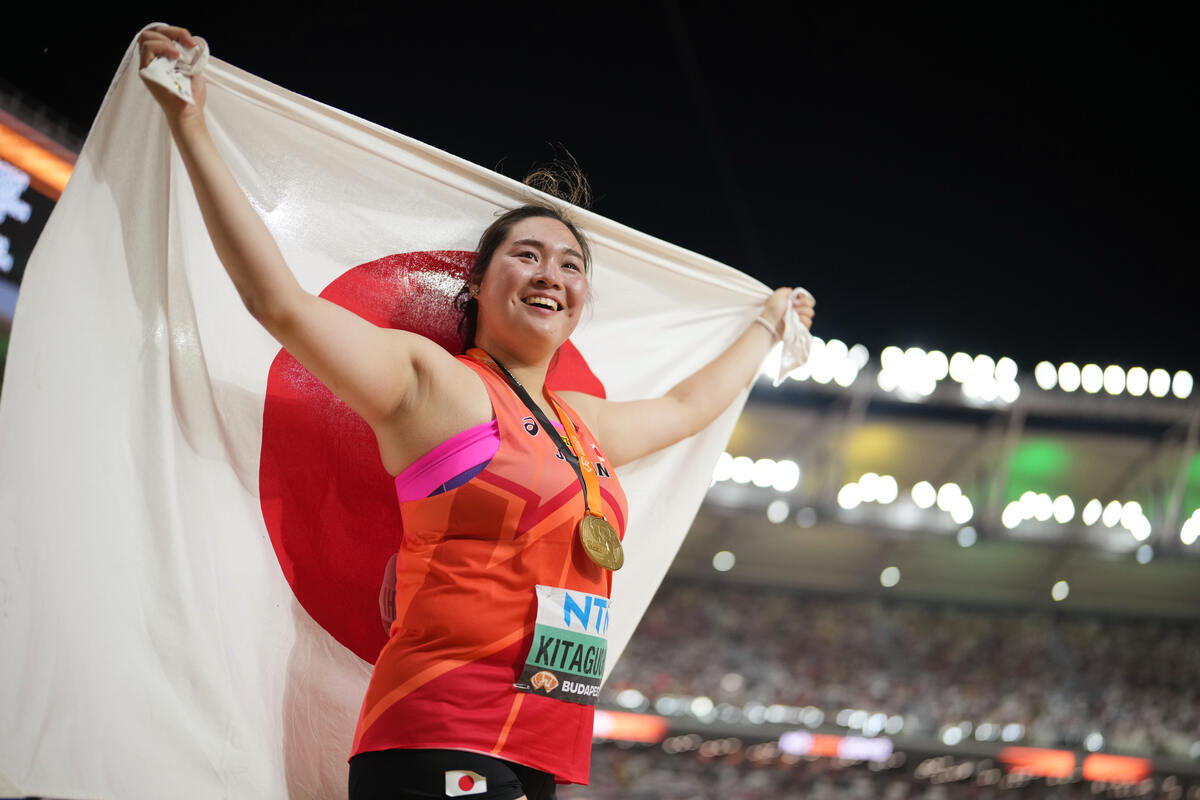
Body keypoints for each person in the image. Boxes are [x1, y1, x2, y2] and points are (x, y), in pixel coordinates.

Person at [138, 24, 815, 800]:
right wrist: (188, 123)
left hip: (540, 744)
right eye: (526, 253)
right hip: (437, 732)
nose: (550, 272)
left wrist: (769, 324)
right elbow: (280, 304)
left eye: (570, 263)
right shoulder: (435, 384)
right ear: (477, 286)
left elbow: (688, 406)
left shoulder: (583, 425)